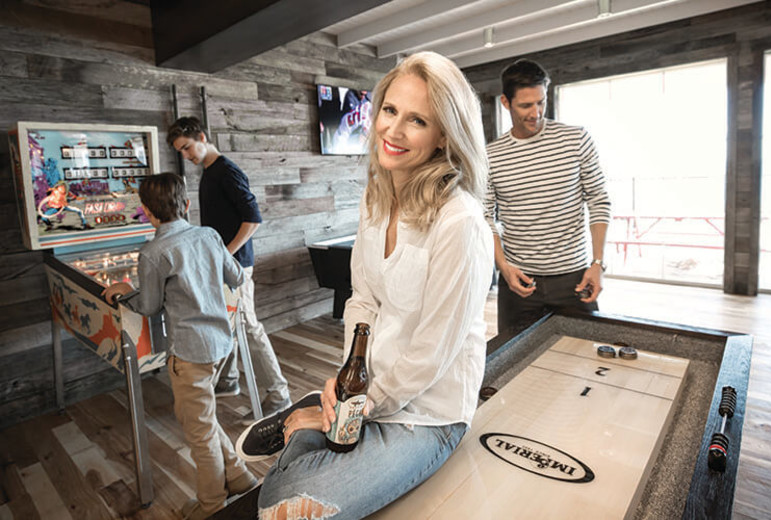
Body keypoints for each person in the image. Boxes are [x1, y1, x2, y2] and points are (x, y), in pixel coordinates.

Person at [234, 51, 494, 519]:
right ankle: (315, 415)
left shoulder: (461, 222)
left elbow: (433, 353)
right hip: (369, 390)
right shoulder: (375, 200)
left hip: (429, 413)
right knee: (282, 504)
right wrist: (349, 383)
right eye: (390, 111)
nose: (393, 131)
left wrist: (362, 405)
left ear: (442, 137)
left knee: (281, 506)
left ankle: (307, 420)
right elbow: (363, 299)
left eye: (417, 120)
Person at [101, 173, 257, 520]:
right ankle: (240, 477)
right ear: (186, 204)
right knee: (201, 417)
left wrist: (123, 290)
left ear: (146, 212)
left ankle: (213, 505)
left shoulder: (153, 252)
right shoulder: (209, 235)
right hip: (220, 344)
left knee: (198, 432)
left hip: (189, 354)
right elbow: (236, 275)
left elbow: (149, 305)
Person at [166, 117, 291, 418]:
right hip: (224, 264)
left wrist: (224, 254)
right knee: (229, 321)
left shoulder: (227, 172)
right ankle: (229, 380)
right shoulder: (209, 172)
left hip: (238, 266)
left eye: (186, 148)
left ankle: (279, 394)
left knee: (248, 326)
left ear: (202, 136)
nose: (185, 155)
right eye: (180, 151)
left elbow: (253, 220)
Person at [485, 59, 611, 334]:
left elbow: (599, 200)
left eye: (541, 102)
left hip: (574, 279)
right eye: (526, 105)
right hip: (518, 282)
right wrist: (503, 266)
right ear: (506, 102)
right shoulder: (490, 156)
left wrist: (598, 263)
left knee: (583, 357)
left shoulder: (576, 139)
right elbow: (485, 217)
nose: (536, 112)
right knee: (513, 365)